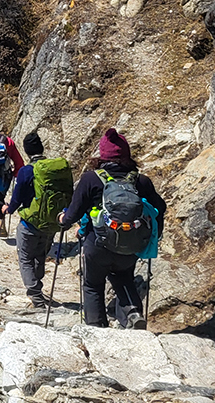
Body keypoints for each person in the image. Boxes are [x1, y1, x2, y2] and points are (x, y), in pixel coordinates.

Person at [60, 128, 166, 329]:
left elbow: (72, 214)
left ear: (102, 155)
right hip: (131, 243)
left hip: (98, 244)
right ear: (126, 155)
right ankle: (133, 314)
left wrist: (63, 220)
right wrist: (154, 236)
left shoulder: (91, 179)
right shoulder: (141, 181)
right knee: (124, 278)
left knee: (92, 284)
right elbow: (160, 208)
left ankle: (96, 328)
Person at [4, 131, 72, 308]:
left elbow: (17, 198)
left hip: (30, 224)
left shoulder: (27, 171)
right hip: (53, 223)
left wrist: (8, 209)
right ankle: (38, 287)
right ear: (41, 148)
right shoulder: (54, 170)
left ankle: (35, 294)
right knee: (40, 255)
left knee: (25, 257)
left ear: (26, 151)